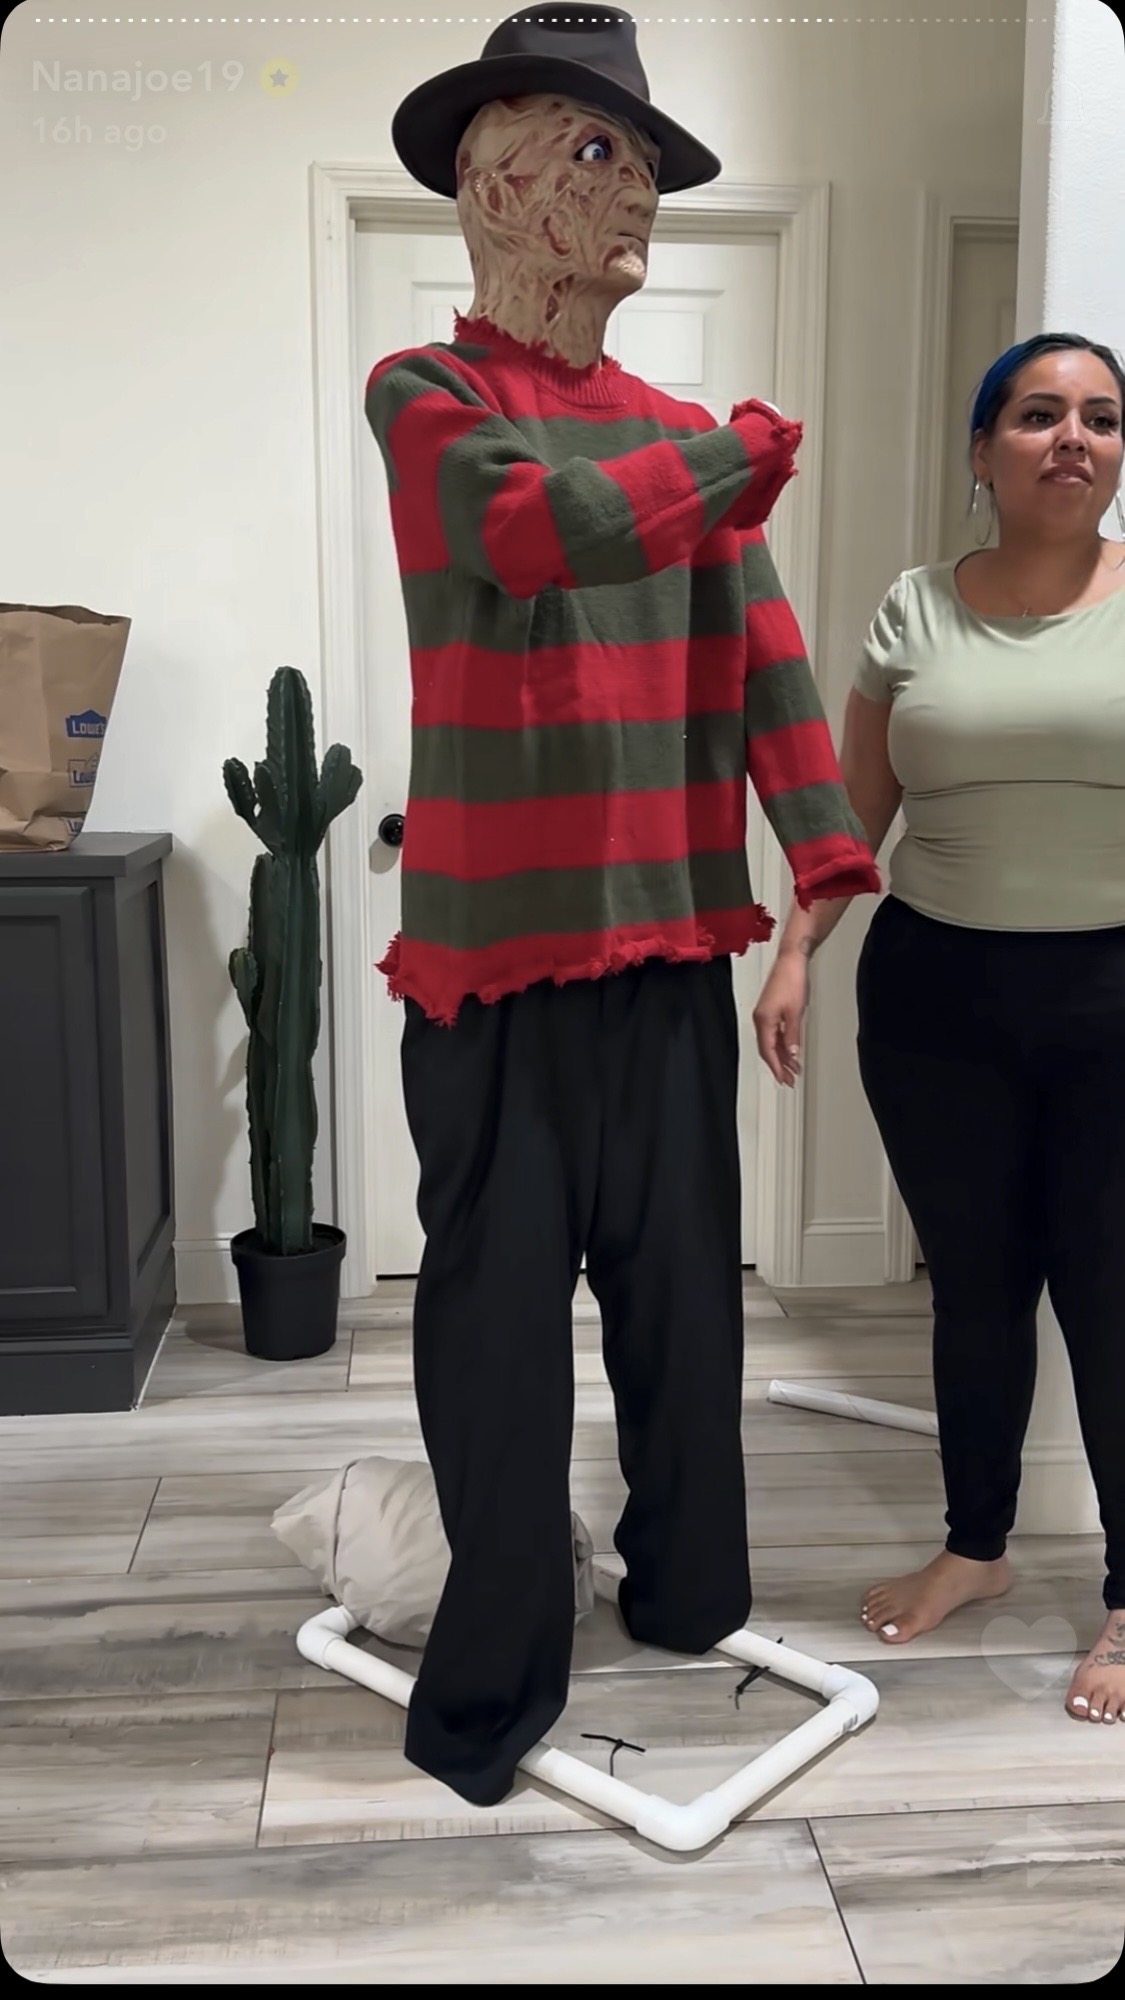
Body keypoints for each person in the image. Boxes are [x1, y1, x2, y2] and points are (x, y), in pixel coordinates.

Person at [365, 5, 880, 1806]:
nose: (637, 188)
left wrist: (815, 876)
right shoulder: (428, 400)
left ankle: (687, 1593)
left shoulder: (676, 432)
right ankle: (492, 1675)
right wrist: (734, 463)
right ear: (489, 185)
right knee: (496, 1334)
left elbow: (764, 657)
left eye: (646, 158)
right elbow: (532, 529)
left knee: (682, 1310)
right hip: (494, 971)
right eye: (596, 151)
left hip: (668, 947)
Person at [753, 331, 1125, 1726]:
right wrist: (796, 951)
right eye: (1038, 414)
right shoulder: (914, 607)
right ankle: (976, 1547)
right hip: (936, 998)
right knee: (973, 1289)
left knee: (1110, 1296)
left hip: (1114, 999)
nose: (1071, 438)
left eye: (1100, 418)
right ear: (983, 450)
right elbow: (855, 812)